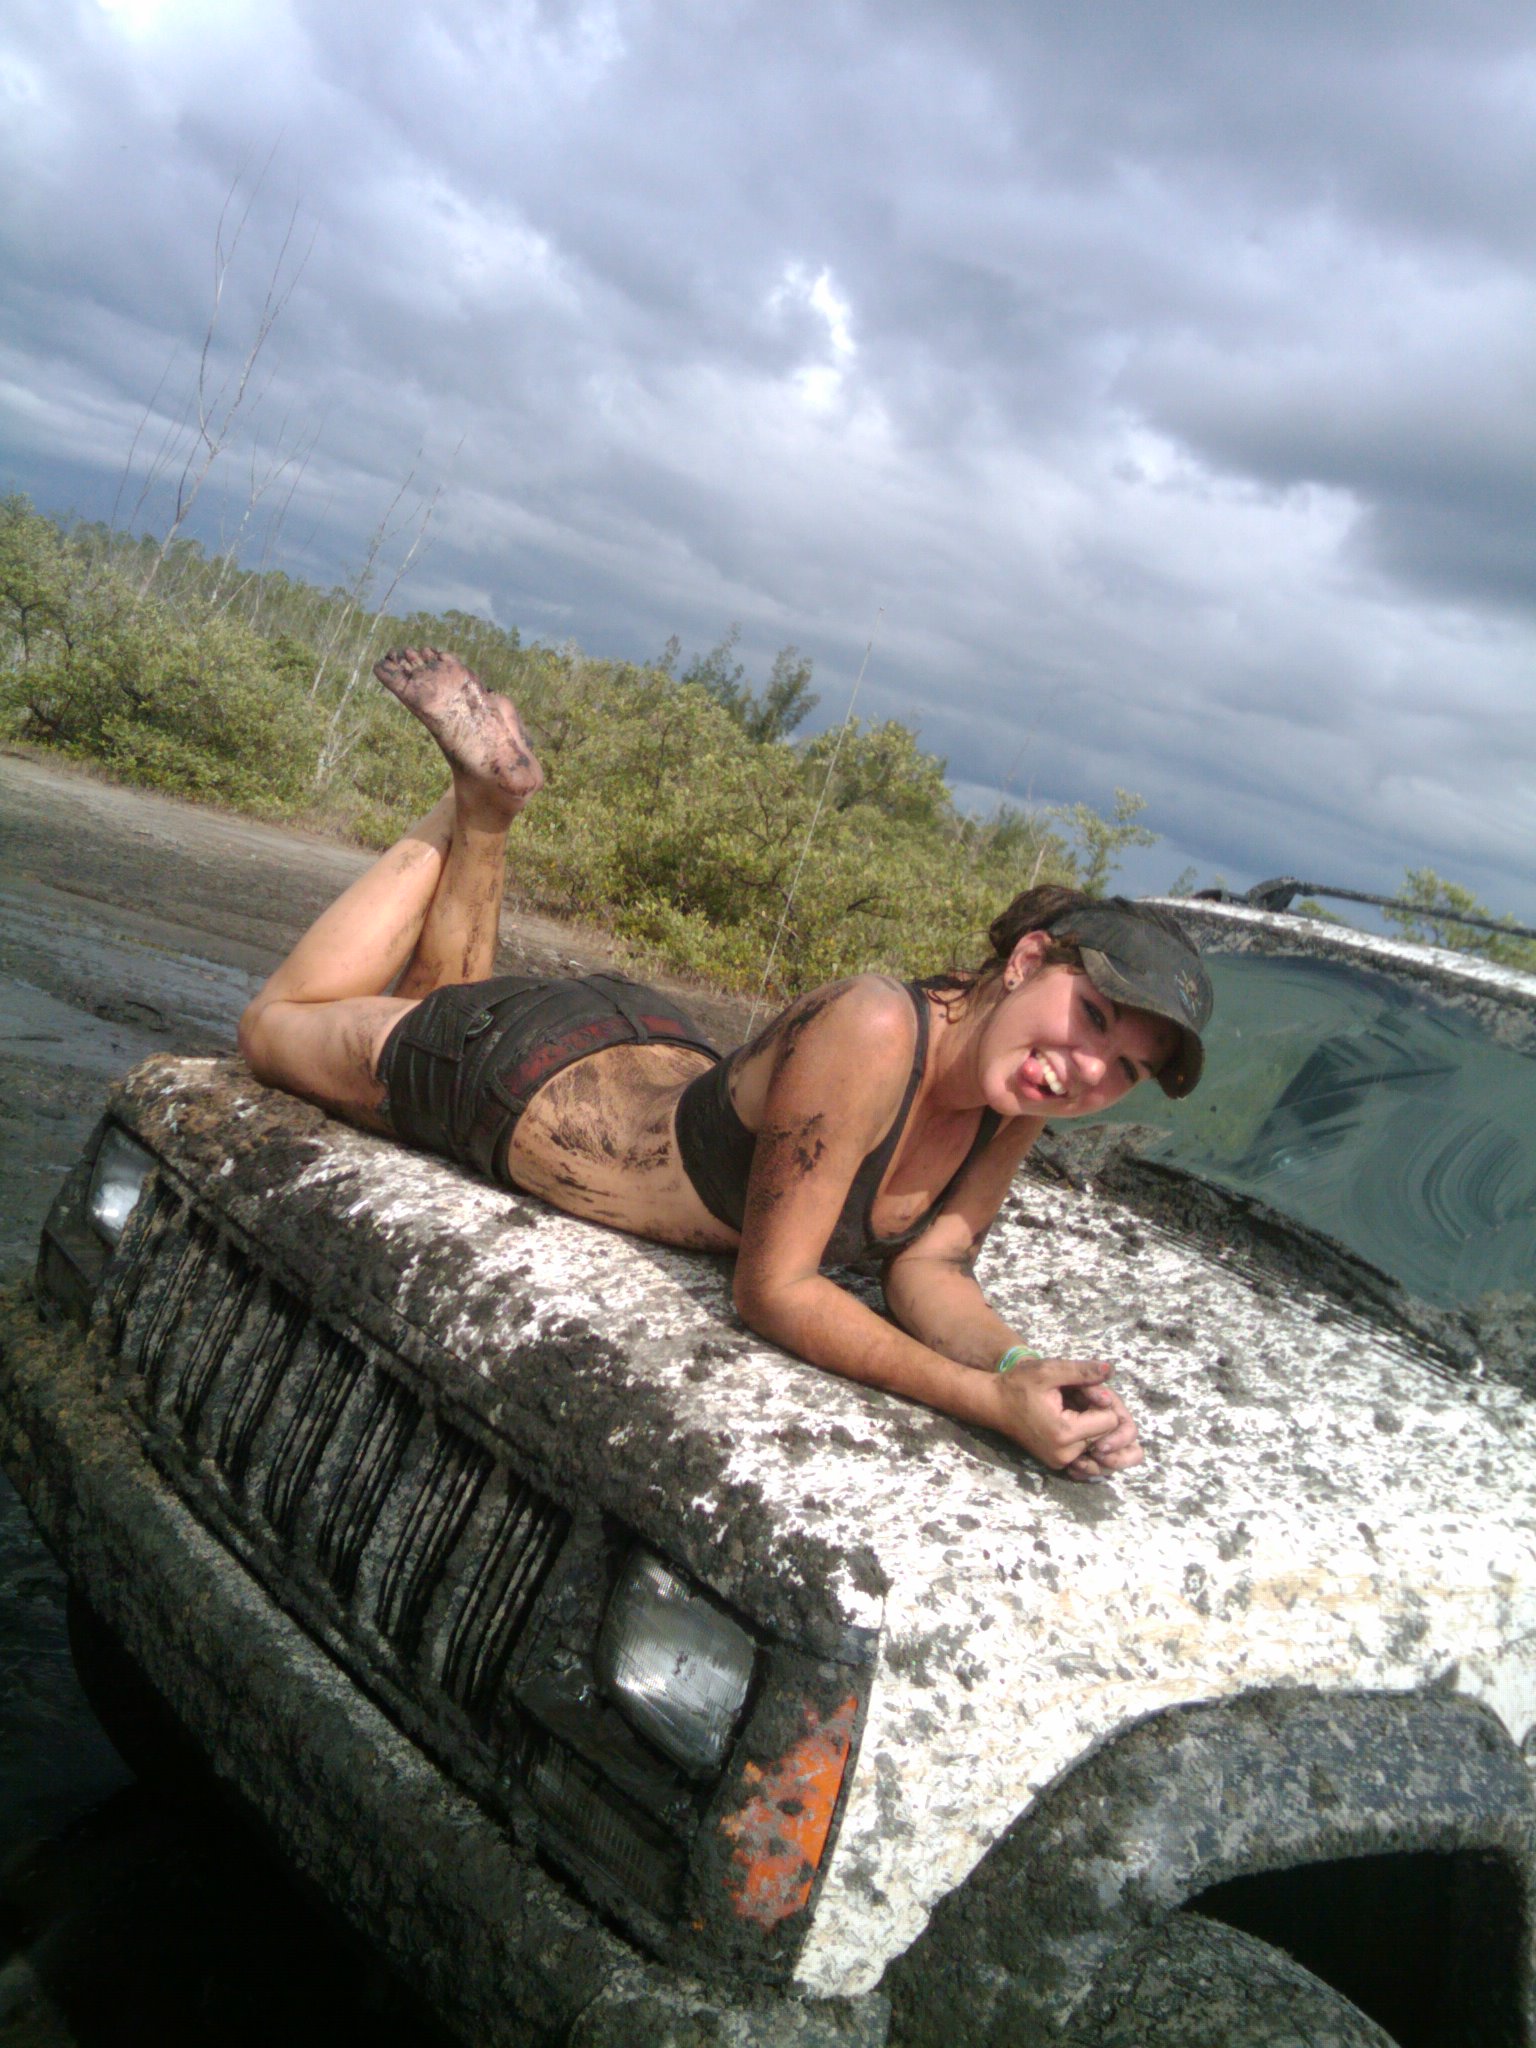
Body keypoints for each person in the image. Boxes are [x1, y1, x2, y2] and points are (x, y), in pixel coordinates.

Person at [239, 647, 1213, 1481]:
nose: (1086, 1069)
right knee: (278, 1025)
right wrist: (981, 1403)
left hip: (633, 1052)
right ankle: (471, 804)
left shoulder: (1019, 1100)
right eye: (1091, 1016)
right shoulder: (876, 1025)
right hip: (519, 1080)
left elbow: (933, 1263)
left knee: (429, 998)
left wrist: (1019, 1365)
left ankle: (488, 809)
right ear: (1030, 959)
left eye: (1123, 1068)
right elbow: (773, 1290)